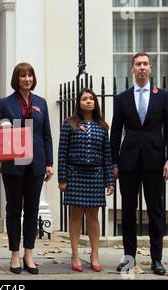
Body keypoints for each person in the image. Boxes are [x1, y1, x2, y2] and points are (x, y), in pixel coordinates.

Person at [110, 52, 168, 276]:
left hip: (155, 162)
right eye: (138, 64)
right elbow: (115, 132)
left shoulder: (162, 96)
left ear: (151, 68)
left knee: (156, 211)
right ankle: (128, 259)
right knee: (127, 212)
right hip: (128, 163)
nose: (142, 68)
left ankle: (156, 259)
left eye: (145, 64)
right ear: (131, 69)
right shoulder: (122, 98)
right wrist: (114, 163)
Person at [0, 62, 54, 275]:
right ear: (16, 79)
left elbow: (46, 136)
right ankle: (15, 254)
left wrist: (49, 163)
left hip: (36, 163)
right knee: (14, 210)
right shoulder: (5, 103)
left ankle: (29, 253)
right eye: (22, 76)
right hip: (13, 164)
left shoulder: (41, 103)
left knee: (32, 210)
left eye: (29, 76)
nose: (26, 79)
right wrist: (3, 123)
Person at [57, 88, 114, 272]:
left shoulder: (102, 126)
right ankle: (74, 255)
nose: (88, 101)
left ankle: (94, 254)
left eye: (91, 99)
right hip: (75, 174)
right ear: (79, 103)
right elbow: (62, 152)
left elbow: (107, 155)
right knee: (75, 215)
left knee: (93, 216)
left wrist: (109, 180)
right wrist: (62, 178)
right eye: (84, 99)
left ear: (95, 103)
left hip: (96, 175)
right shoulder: (69, 124)